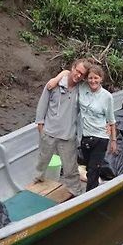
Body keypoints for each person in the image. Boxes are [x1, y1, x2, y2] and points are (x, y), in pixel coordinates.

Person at [47, 64, 116, 192]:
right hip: (85, 137)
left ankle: (89, 196)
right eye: (90, 78)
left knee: (94, 170)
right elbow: (69, 73)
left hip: (101, 137)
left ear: (101, 79)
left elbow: (111, 121)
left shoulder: (107, 97)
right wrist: (56, 79)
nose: (93, 81)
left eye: (96, 78)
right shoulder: (82, 87)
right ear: (86, 79)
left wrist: (113, 140)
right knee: (89, 168)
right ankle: (89, 186)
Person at [34, 58, 89, 197]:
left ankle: (77, 193)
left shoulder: (81, 89)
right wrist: (40, 124)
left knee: (71, 168)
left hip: (68, 135)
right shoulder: (54, 84)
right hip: (49, 132)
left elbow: (94, 81)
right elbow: (42, 105)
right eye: (77, 71)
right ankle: (36, 184)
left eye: (82, 74)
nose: (78, 75)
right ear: (73, 67)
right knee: (42, 162)